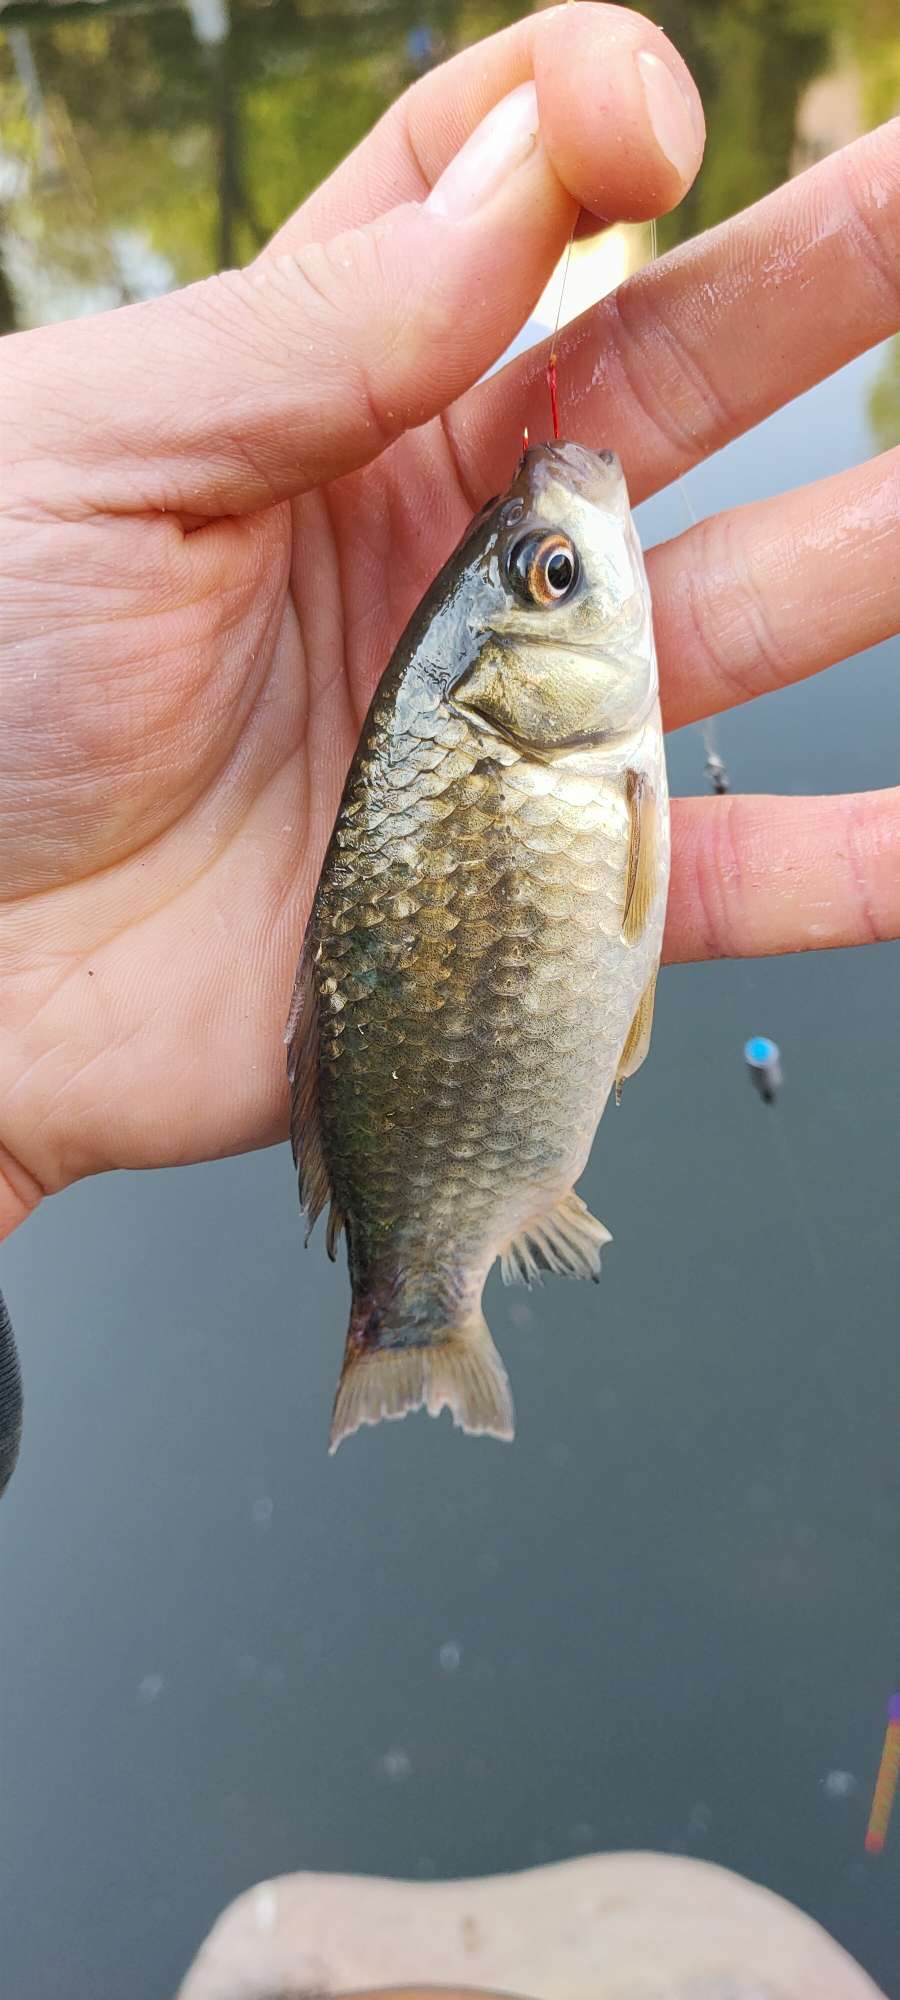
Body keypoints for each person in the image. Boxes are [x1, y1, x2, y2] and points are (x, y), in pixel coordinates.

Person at [1, 7, 896, 1989]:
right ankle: (419, 1314)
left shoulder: (527, 731)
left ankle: (414, 1305)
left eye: (545, 578)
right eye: (554, 586)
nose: (581, 560)